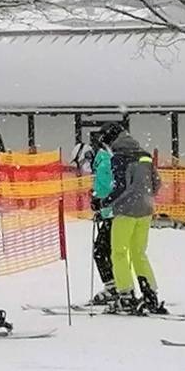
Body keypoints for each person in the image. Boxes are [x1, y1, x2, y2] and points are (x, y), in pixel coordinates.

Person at [106, 131, 163, 315]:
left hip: (125, 211)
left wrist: (103, 202)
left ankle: (126, 295)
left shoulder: (119, 158)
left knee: (119, 253)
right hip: (145, 210)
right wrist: (145, 197)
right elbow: (157, 183)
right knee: (139, 253)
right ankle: (150, 293)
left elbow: (120, 187)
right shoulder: (145, 156)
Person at [87, 126, 119, 305]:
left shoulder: (104, 164)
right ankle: (115, 286)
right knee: (107, 250)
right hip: (110, 213)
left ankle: (112, 287)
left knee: (100, 251)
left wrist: (100, 203)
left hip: (112, 215)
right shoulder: (104, 162)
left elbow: (109, 189)